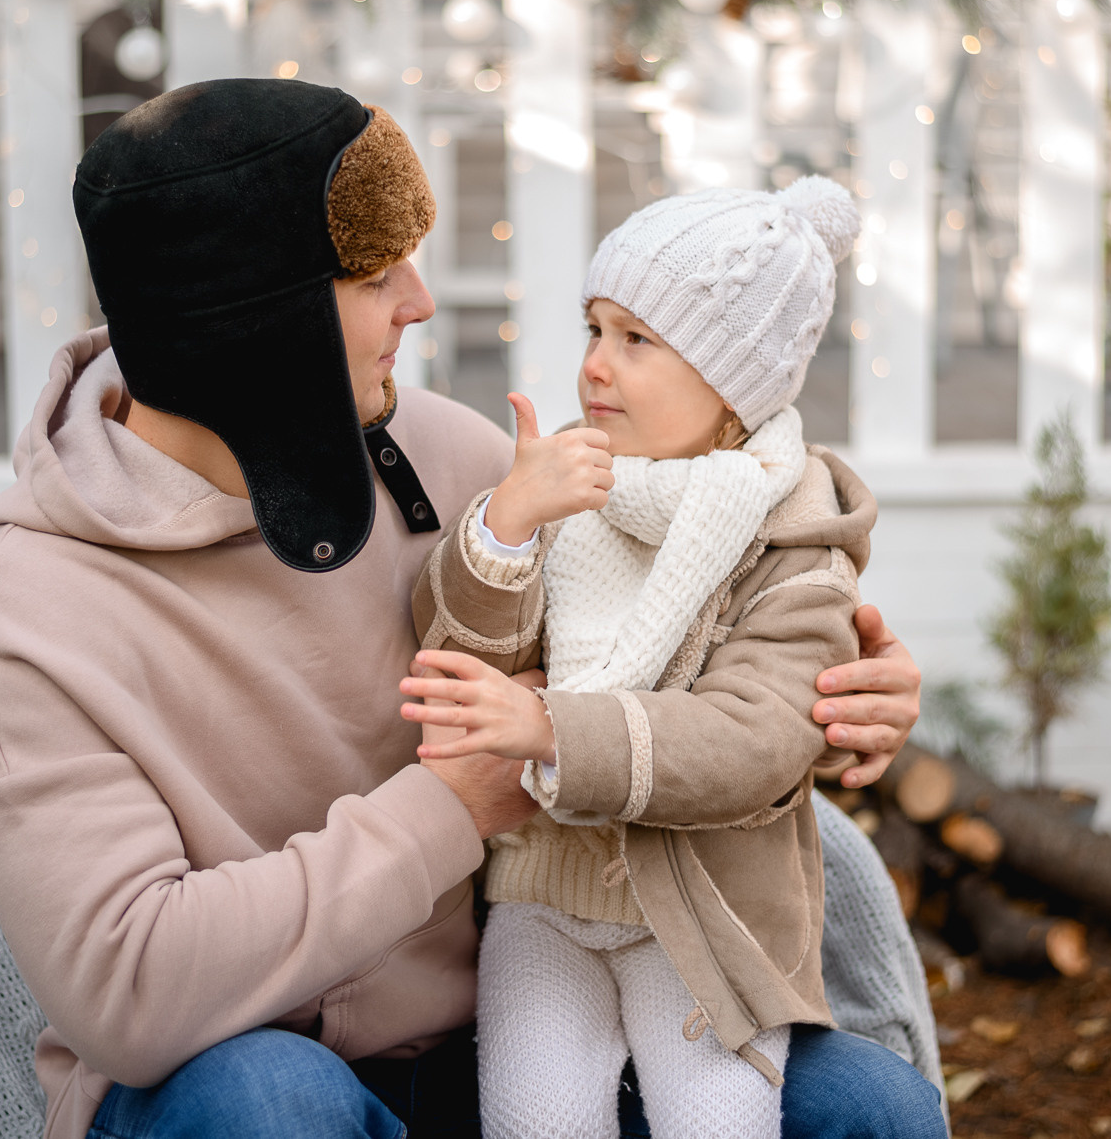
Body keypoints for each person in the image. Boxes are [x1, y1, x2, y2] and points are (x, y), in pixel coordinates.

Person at [0, 79, 927, 1139]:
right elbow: (131, 991)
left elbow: (671, 626)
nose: (418, 300)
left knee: (863, 1109)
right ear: (251, 321)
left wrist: (831, 689)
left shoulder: (444, 454)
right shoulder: (34, 603)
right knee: (270, 1104)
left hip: (512, 1030)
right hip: (232, 1078)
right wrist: (454, 802)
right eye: (375, 276)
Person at [401, 178, 945, 1139]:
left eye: (639, 340)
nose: (595, 368)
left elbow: (755, 738)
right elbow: (458, 665)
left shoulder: (796, 544)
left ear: (734, 385)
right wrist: (508, 527)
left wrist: (551, 726)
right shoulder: (565, 482)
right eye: (595, 329)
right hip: (541, 899)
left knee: (718, 1120)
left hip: (701, 914)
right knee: (535, 1120)